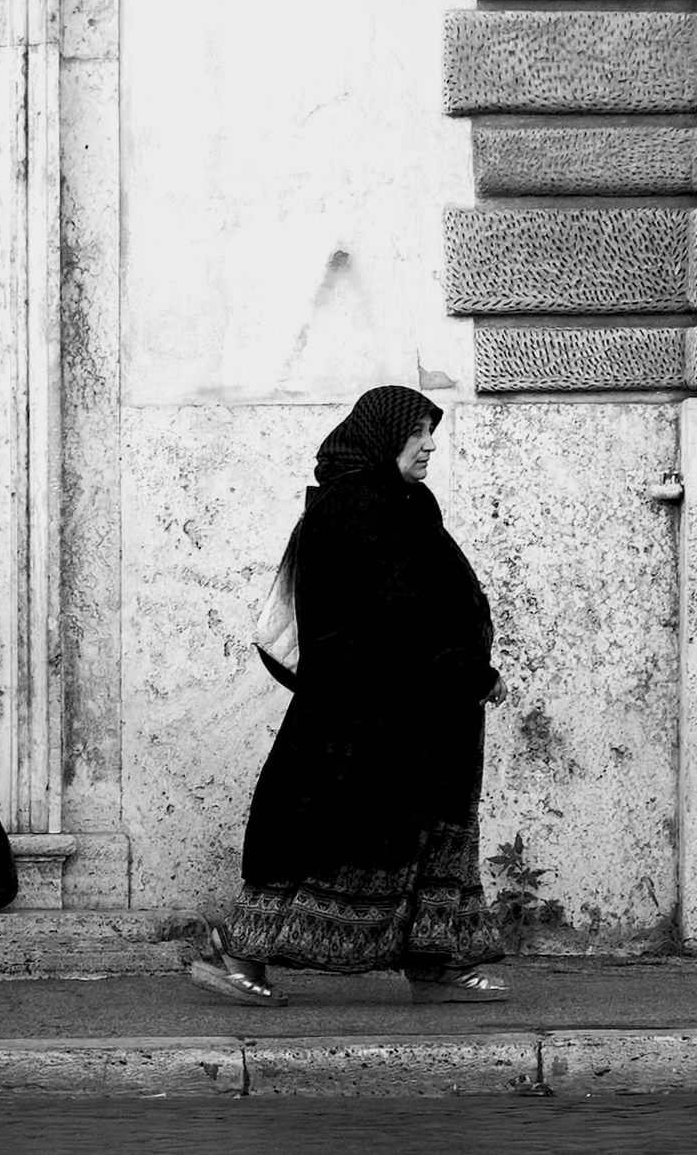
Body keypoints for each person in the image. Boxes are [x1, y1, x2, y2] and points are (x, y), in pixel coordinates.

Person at [198, 385, 511, 1006]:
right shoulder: (360, 503)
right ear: (383, 435)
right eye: (417, 432)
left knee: (422, 834)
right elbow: (402, 611)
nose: (429, 444)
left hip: (412, 713)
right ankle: (238, 955)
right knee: (327, 833)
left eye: (431, 431)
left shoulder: (400, 500)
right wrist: (471, 672)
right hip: (364, 713)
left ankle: (434, 961)